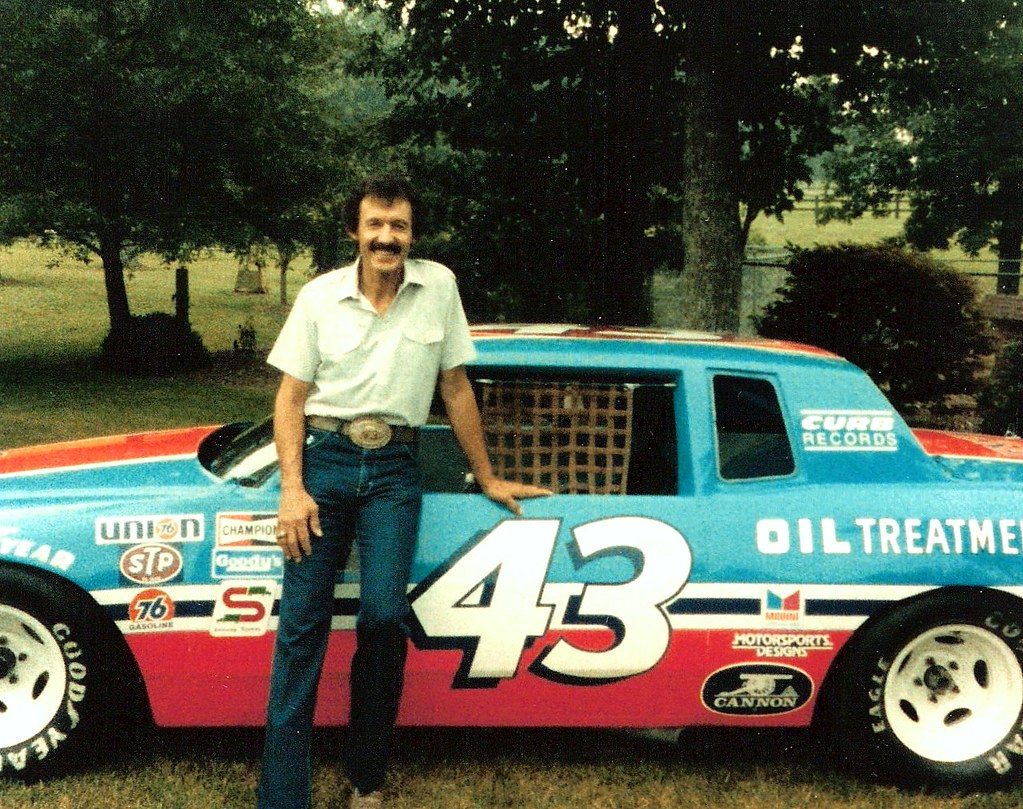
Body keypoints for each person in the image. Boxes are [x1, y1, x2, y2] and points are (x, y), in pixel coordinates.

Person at [256, 176, 549, 809]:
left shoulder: (438, 286)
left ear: (412, 234)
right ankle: (282, 795)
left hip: (394, 469)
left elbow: (456, 388)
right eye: (375, 226)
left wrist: (489, 476)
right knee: (302, 625)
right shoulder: (317, 298)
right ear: (354, 232)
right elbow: (290, 399)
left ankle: (366, 778)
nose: (387, 238)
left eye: (399, 227)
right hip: (326, 463)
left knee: (384, 619)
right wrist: (293, 490)